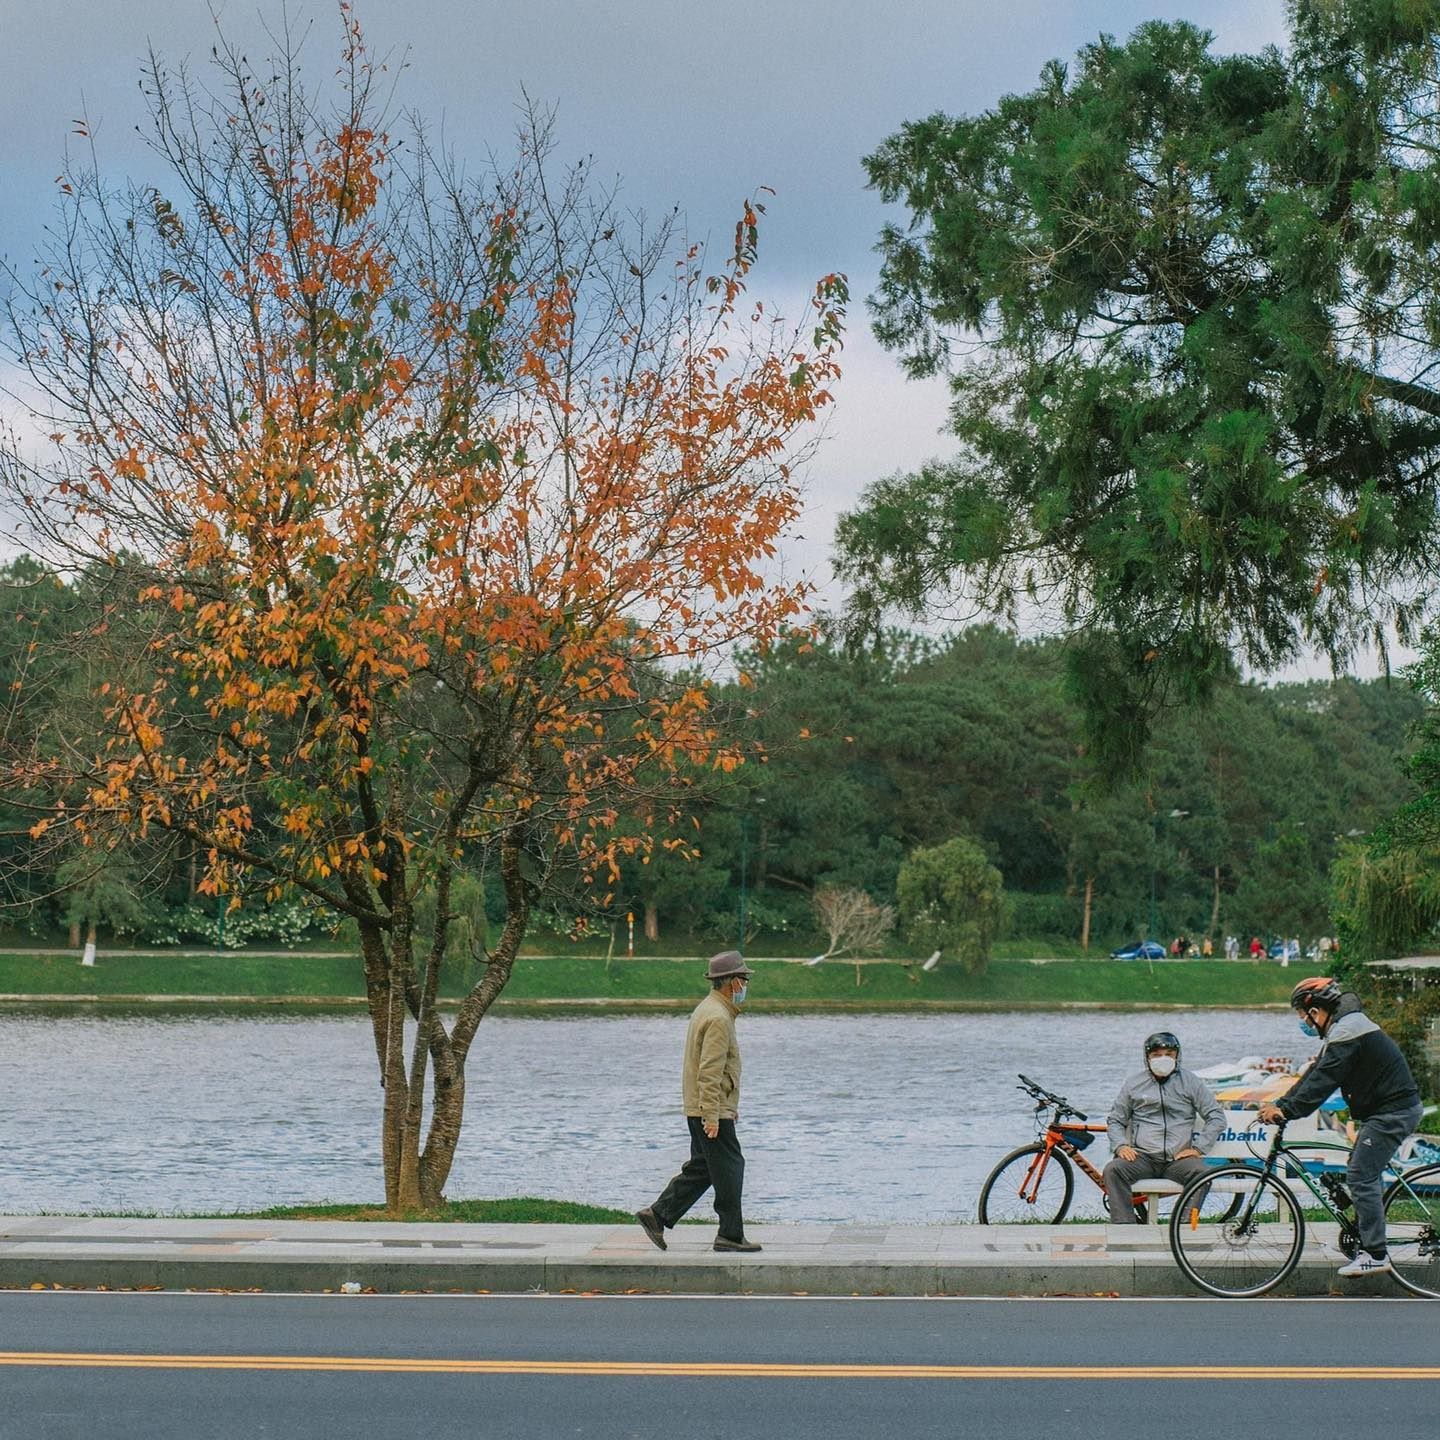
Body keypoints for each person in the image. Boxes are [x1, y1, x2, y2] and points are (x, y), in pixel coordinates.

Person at [1258, 977, 1423, 1277]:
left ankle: (1375, 1254)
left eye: (1302, 1016)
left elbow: (1324, 1081)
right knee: (1361, 1169)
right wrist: (1282, 1103)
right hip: (1386, 1109)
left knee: (1360, 1174)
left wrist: (1288, 1111)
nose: (1304, 1023)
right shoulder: (1343, 1028)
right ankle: (1365, 1235)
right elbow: (1314, 1074)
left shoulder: (1347, 1031)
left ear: (1315, 1011)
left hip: (1393, 1111)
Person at [636, 951, 762, 1253]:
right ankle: (730, 1235)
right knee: (731, 1167)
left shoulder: (709, 1009)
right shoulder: (718, 1017)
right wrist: (713, 1115)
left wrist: (722, 1107)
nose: (746, 984)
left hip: (704, 1107)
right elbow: (710, 1071)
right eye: (743, 979)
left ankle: (657, 1215)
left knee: (704, 1167)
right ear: (731, 982)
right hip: (709, 1110)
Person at [1103, 1031, 1225, 1223]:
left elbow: (1216, 1116)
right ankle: (1124, 1225)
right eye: (1157, 1055)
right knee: (1113, 1170)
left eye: (1169, 1054)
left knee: (1203, 1173)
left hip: (1177, 1159)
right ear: (1147, 1057)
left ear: (1177, 1056)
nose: (1163, 1059)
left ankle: (1183, 1225)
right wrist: (1120, 1146)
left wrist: (1198, 1149)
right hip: (1142, 1157)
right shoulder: (1134, 1083)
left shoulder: (1191, 1082)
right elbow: (1116, 1120)